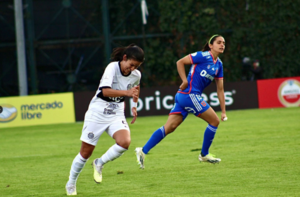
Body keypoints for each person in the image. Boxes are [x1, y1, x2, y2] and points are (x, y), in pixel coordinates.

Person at [135, 35, 227, 169]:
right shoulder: (203, 56)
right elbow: (180, 62)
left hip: (184, 96)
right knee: (214, 121)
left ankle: (142, 151)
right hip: (190, 95)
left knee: (170, 127)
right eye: (219, 42)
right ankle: (204, 154)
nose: (222, 45)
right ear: (210, 45)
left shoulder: (219, 65)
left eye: (224, 43)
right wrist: (184, 80)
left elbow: (220, 89)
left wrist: (223, 111)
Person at [65, 44, 144, 195]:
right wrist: (126, 93)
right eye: (131, 65)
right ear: (124, 58)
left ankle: (99, 163)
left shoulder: (136, 75)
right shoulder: (112, 67)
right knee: (86, 152)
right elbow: (105, 91)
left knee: (124, 142)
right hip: (98, 112)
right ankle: (71, 183)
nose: (133, 69)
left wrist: (134, 106)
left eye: (137, 66)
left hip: (116, 113)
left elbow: (136, 88)